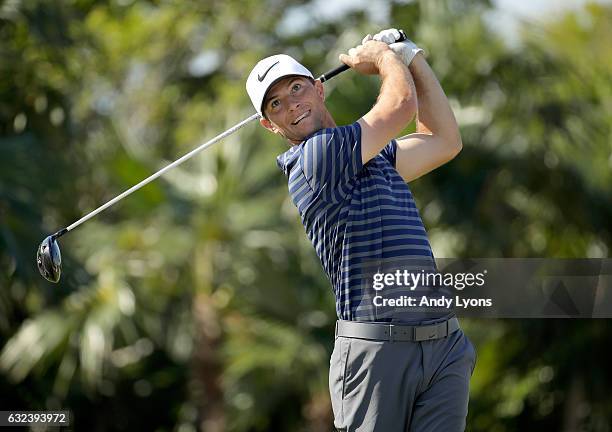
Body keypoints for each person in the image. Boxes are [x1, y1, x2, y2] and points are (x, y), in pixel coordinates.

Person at [245, 28, 476, 431]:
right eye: (276, 104)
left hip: (443, 344)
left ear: (320, 89)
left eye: (297, 88)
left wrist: (410, 55)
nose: (292, 105)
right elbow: (401, 106)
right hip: (377, 350)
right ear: (270, 125)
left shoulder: (372, 155)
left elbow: (443, 140)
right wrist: (384, 58)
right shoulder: (315, 159)